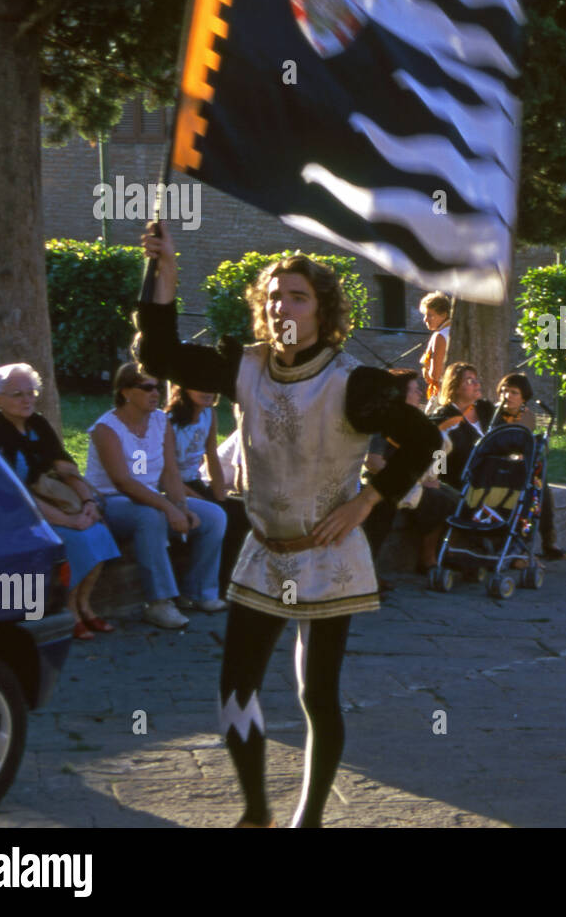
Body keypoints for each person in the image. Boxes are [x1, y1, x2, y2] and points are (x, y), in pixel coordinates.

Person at [137, 222, 439, 828]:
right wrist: (163, 270)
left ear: (322, 310)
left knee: (316, 694)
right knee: (234, 692)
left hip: (331, 558)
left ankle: (309, 817)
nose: (282, 305)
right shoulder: (242, 366)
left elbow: (424, 441)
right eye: (274, 295)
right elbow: (159, 355)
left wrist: (367, 501)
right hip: (265, 552)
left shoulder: (355, 382)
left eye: (297, 295)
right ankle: (256, 813)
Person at [0, 363, 121, 641]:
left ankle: (85, 603)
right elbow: (15, 494)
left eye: (31, 391)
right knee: (77, 539)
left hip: (53, 503)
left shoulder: (38, 424)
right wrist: (69, 520)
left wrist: (88, 502)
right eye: (18, 393)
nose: (27, 399)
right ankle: (70, 610)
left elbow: (66, 468)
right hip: (16, 514)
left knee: (99, 530)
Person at [84, 363, 227, 630]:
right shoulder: (107, 428)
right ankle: (159, 603)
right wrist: (169, 509)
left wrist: (181, 506)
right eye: (147, 387)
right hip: (110, 502)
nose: (155, 393)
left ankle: (198, 592)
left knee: (214, 516)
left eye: (158, 388)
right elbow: (123, 482)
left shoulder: (161, 421)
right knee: (149, 516)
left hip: (151, 496)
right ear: (126, 392)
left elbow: (170, 472)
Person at [364, 368, 460, 576]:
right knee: (439, 501)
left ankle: (449, 553)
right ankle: (428, 560)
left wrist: (430, 477)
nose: (419, 394)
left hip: (413, 481)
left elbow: (438, 455)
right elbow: (373, 462)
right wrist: (413, 481)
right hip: (383, 484)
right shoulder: (385, 421)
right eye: (415, 390)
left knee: (454, 497)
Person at [167, 385, 252, 598]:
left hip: (195, 482)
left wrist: (219, 493)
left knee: (240, 513)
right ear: (184, 388)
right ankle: (198, 590)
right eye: (199, 386)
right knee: (215, 515)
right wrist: (203, 500)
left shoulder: (208, 414)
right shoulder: (168, 422)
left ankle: (228, 585)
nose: (208, 391)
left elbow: (211, 457)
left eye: (211, 386)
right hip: (173, 486)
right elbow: (167, 471)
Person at [496, 372, 564, 559]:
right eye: (503, 391)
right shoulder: (494, 414)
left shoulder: (527, 416)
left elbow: (524, 445)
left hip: (520, 467)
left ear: (524, 397)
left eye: (513, 392)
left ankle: (548, 540)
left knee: (541, 486)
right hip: (496, 468)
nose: (506, 396)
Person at [428, 362, 495, 491]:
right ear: (455, 387)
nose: (477, 384)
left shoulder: (486, 409)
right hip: (460, 486)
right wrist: (439, 483)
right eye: (470, 381)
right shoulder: (442, 418)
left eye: (476, 380)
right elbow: (438, 457)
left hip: (492, 481)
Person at [418, 291, 452, 408]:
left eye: (430, 315)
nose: (425, 320)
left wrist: (426, 371)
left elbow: (435, 374)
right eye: (425, 315)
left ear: (443, 315)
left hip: (442, 392)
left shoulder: (440, 336)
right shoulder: (454, 331)